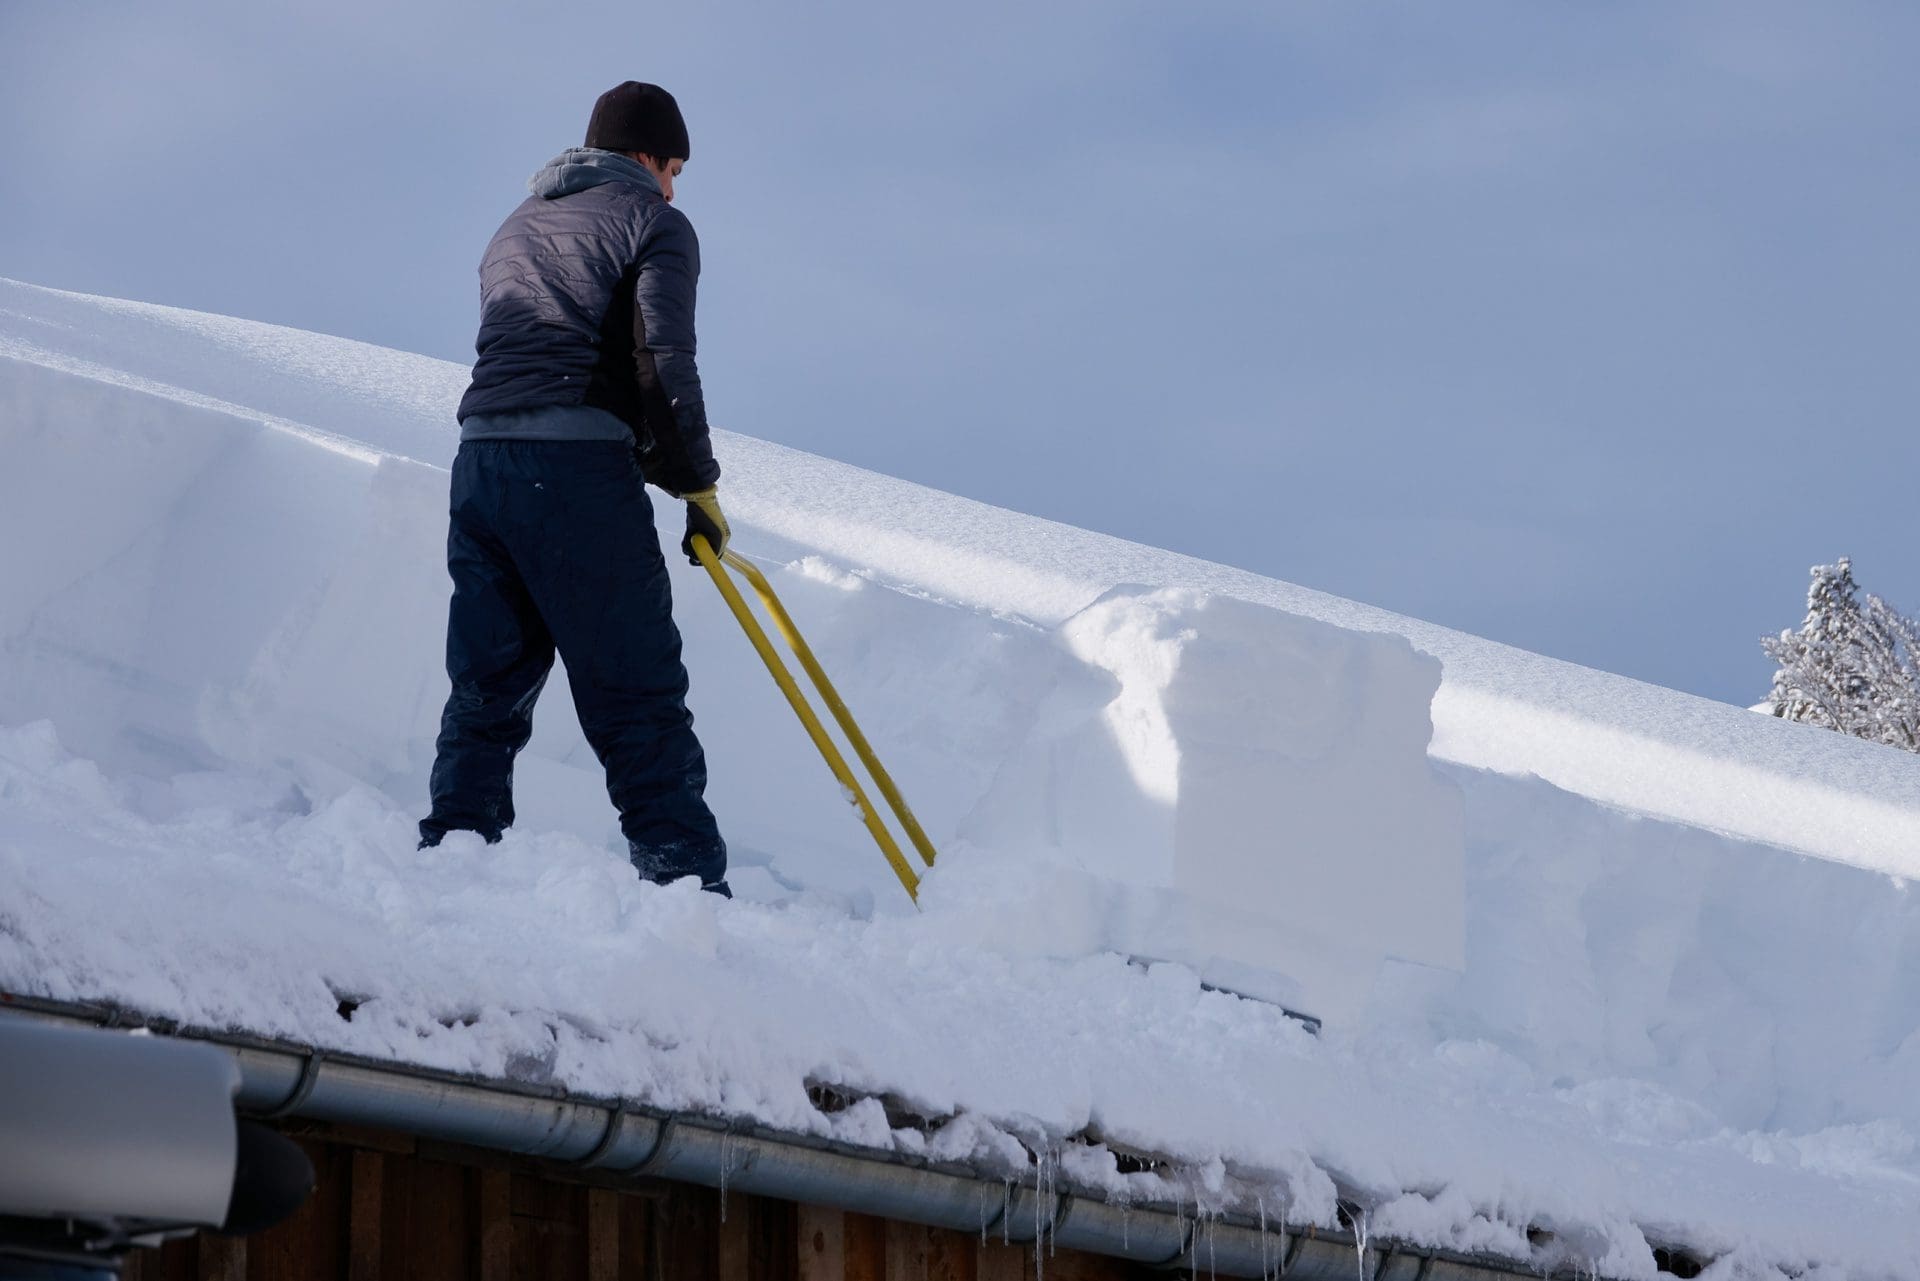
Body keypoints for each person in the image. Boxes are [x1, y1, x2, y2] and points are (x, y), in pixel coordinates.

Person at [419, 81, 731, 896]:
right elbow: (662, 357)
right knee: (636, 692)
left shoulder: (514, 226)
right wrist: (695, 485)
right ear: (645, 157)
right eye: (674, 167)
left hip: (481, 466)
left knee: (486, 691)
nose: (675, 186)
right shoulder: (655, 223)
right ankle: (691, 897)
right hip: (574, 473)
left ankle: (451, 872)